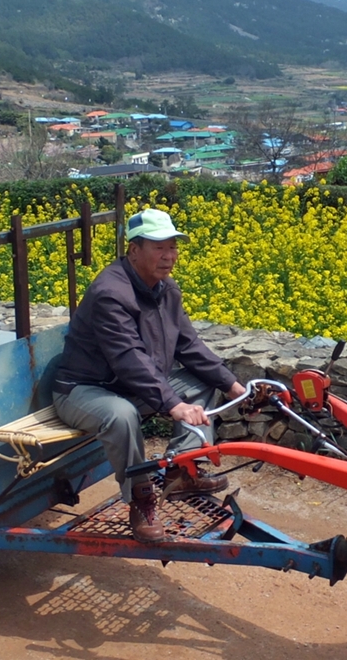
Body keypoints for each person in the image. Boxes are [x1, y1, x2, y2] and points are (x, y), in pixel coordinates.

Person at [51, 208, 246, 542]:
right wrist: (173, 404)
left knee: (202, 382)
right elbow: (129, 358)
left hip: (130, 386)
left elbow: (189, 345)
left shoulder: (165, 289)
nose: (169, 256)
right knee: (121, 415)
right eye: (159, 247)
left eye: (173, 247)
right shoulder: (111, 293)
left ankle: (181, 469)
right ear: (134, 250)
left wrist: (233, 386)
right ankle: (140, 499)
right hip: (83, 390)